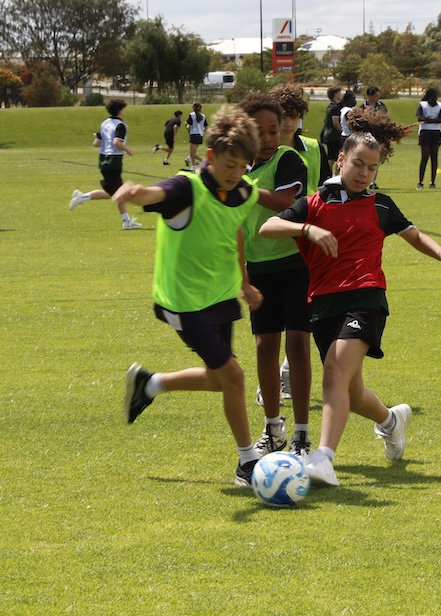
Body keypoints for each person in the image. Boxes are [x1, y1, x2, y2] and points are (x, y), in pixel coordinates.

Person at [258, 109, 441, 486]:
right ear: (341, 160)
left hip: (366, 299)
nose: (365, 173)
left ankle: (323, 459)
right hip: (322, 305)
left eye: (372, 168)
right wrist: (307, 230)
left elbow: (415, 235)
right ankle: (391, 420)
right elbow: (268, 226)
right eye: (358, 164)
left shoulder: (380, 205)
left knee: (334, 372)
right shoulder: (315, 204)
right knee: (349, 392)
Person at [118, 106, 273, 487]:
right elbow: (156, 192)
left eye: (242, 166)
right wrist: (135, 192)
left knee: (223, 381)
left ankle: (149, 385)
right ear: (209, 156)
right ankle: (246, 462)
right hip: (183, 301)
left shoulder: (242, 191)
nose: (235, 173)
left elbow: (235, 229)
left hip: (220, 296)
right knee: (234, 375)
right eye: (229, 164)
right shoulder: (187, 187)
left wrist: (245, 282)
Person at [236, 92, 314, 462]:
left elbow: (286, 205)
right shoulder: (238, 170)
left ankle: (302, 434)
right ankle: (273, 426)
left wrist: (245, 190)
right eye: (259, 131)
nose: (268, 138)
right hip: (260, 270)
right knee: (264, 349)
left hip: (296, 265)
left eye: (273, 130)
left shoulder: (289, 160)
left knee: (297, 346)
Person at [68, 99, 141, 230]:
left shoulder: (105, 123)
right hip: (114, 161)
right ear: (120, 110)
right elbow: (117, 142)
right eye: (124, 109)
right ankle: (126, 221)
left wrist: (107, 143)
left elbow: (96, 143)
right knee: (120, 193)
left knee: (113, 192)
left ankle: (82, 197)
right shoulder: (120, 125)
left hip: (104, 160)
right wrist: (127, 149)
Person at [269, 83, 330, 190]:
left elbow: (324, 188)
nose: (289, 124)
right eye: (283, 117)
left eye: (294, 117)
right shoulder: (259, 150)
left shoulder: (315, 148)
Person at [415, 87, 441, 189]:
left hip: (436, 132)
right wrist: (432, 120)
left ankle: (433, 181)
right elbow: (419, 118)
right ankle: (420, 181)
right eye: (433, 97)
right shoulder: (423, 105)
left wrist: (428, 120)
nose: (435, 99)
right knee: (424, 157)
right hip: (425, 132)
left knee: (434, 157)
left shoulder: (440, 106)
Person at [320, 86, 344, 163]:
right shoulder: (335, 108)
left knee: (331, 157)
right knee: (340, 155)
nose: (341, 94)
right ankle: (336, 174)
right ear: (336, 94)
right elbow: (335, 122)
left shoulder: (329, 107)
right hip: (334, 135)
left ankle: (329, 174)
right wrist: (342, 131)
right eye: (340, 92)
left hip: (328, 135)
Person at [185, 103, 206, 170]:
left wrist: (186, 127)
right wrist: (202, 131)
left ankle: (204, 161)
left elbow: (189, 126)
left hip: (194, 134)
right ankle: (193, 167)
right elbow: (206, 127)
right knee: (193, 153)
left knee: (192, 154)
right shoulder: (203, 116)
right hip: (200, 135)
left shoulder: (192, 115)